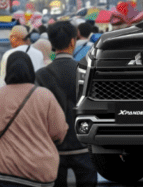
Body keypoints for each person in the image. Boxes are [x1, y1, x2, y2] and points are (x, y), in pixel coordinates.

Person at [0, 53, 68, 187]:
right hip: (41, 171)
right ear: (30, 70)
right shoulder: (45, 96)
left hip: (7, 170)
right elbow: (59, 132)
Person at [35, 22, 98, 187]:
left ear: (51, 43)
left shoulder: (41, 75)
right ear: (72, 42)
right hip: (85, 146)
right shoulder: (87, 72)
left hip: (53, 148)